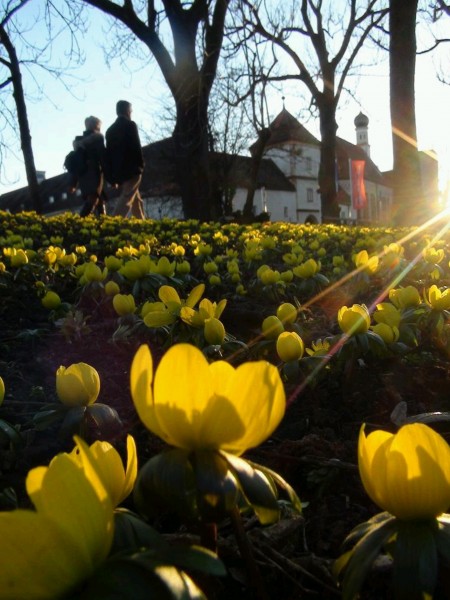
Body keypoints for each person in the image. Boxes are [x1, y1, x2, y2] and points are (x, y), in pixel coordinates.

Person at [105, 100, 145, 219]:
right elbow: (136, 146)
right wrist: (141, 165)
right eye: (131, 110)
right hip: (133, 169)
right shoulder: (130, 125)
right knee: (127, 197)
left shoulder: (110, 130)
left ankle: (141, 222)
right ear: (128, 111)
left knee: (136, 199)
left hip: (119, 172)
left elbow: (109, 154)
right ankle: (114, 223)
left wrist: (112, 177)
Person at [68, 116, 108, 217]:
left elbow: (76, 164)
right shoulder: (98, 138)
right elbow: (103, 158)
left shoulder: (78, 142)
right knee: (94, 199)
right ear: (96, 126)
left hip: (83, 176)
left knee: (99, 200)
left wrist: (73, 183)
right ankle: (79, 222)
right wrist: (112, 178)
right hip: (95, 174)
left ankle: (105, 225)